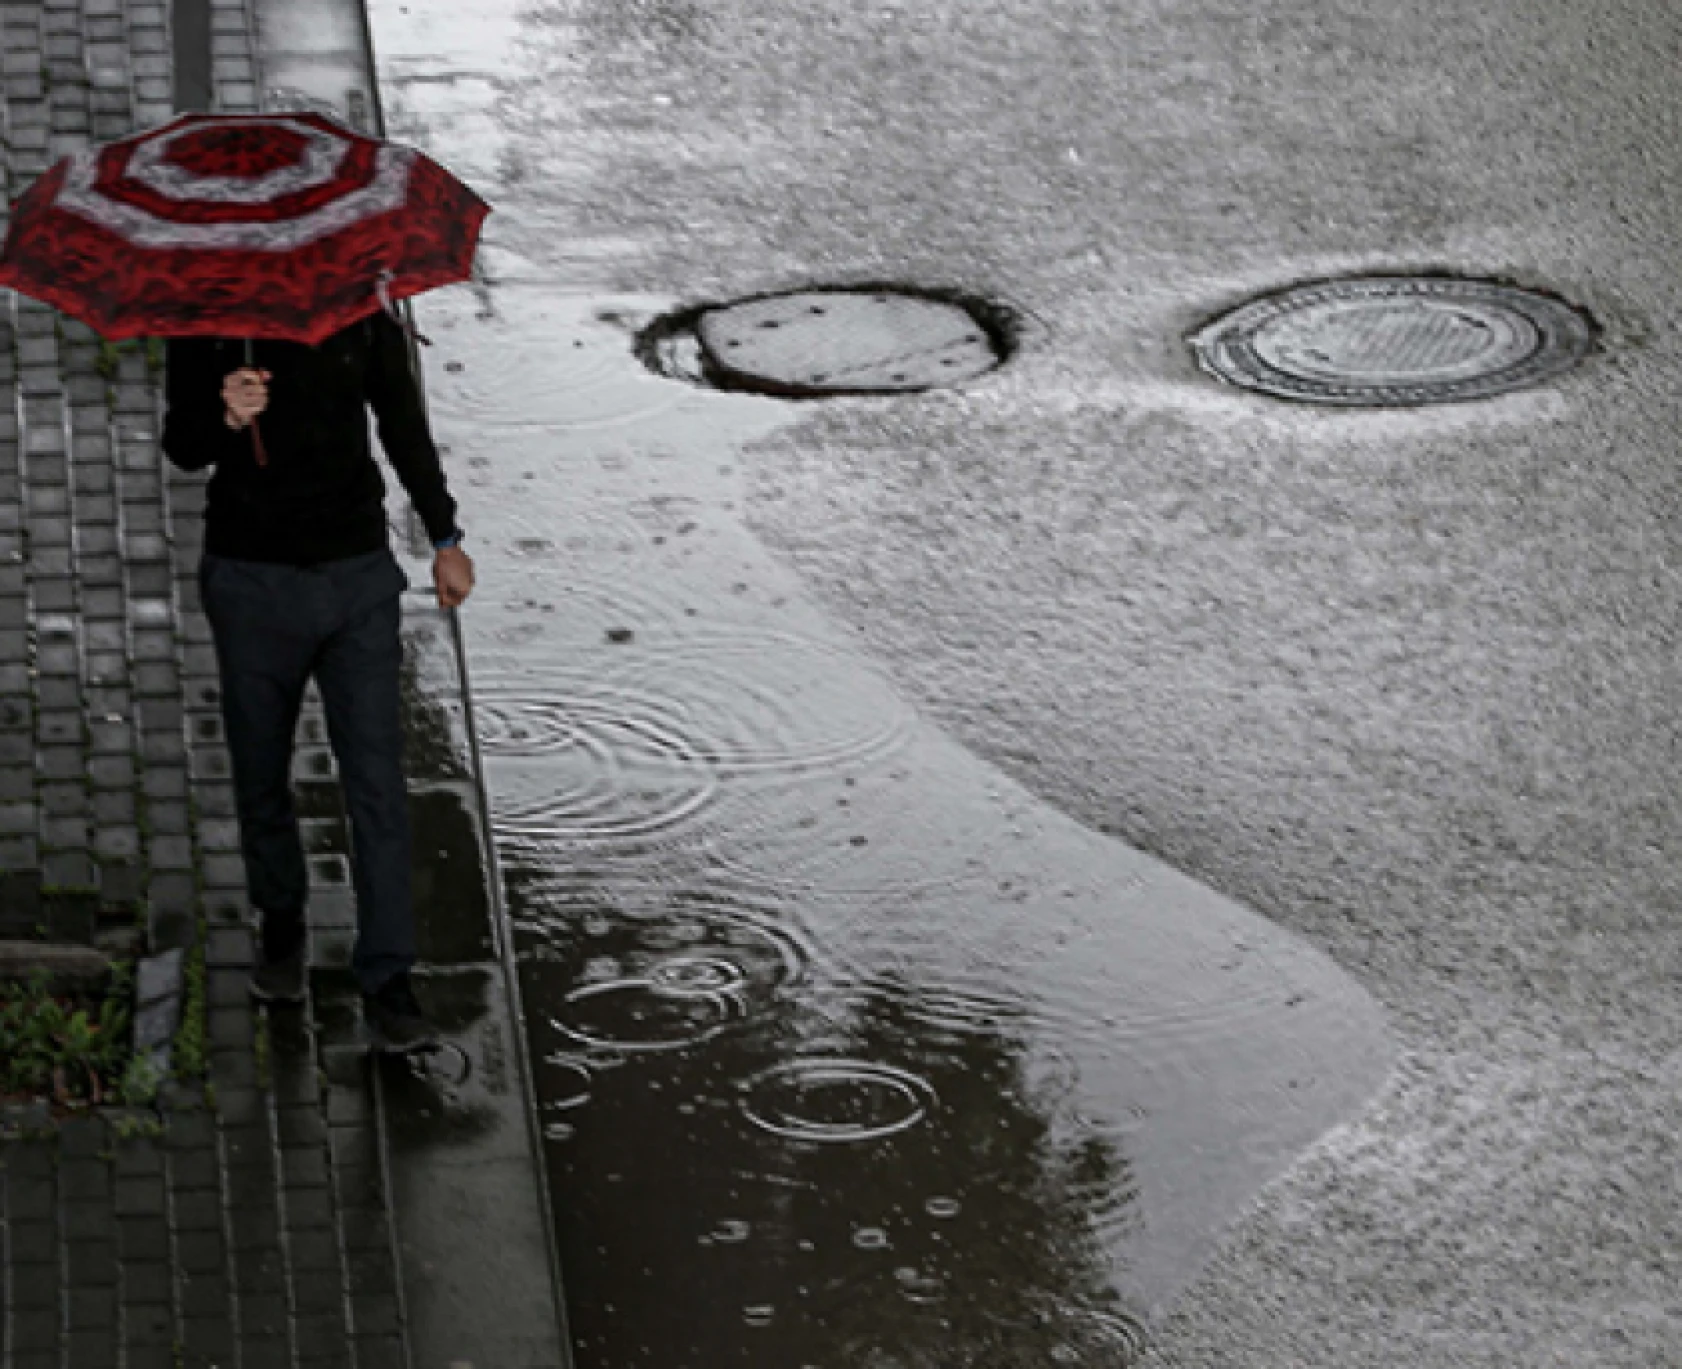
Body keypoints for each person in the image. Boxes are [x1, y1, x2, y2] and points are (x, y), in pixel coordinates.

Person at [161, 309, 475, 1050]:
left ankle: (390, 980)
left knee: (376, 782)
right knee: (260, 772)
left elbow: (404, 431)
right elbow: (183, 446)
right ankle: (281, 922)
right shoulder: (204, 320)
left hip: (356, 580)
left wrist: (445, 537)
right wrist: (225, 414)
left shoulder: (364, 312)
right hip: (248, 580)